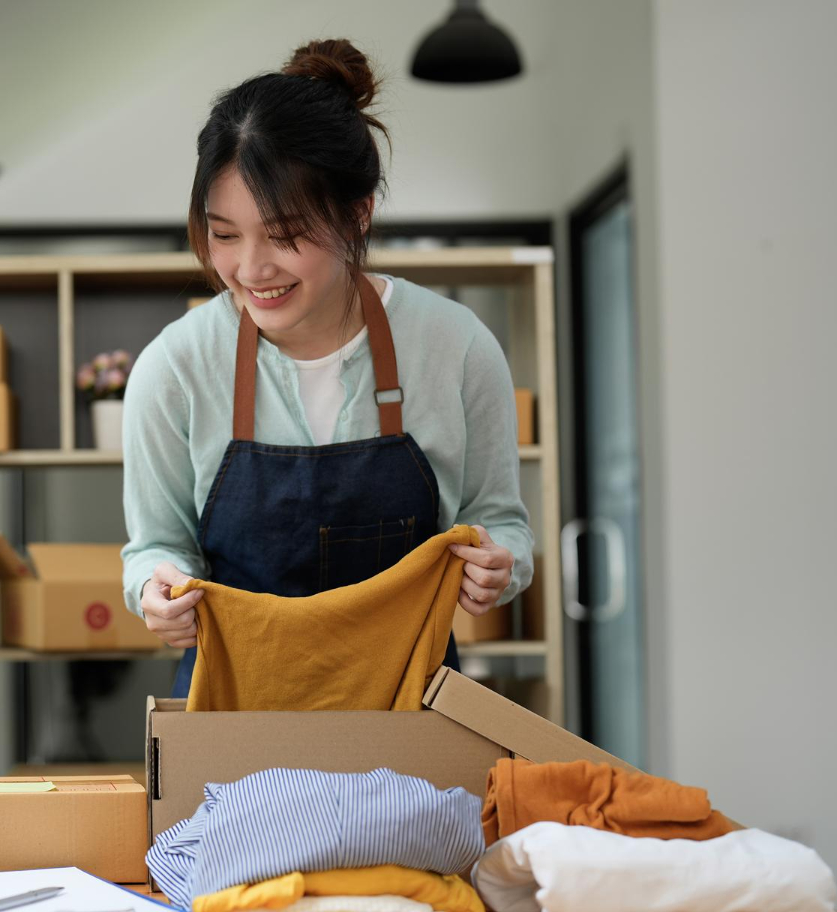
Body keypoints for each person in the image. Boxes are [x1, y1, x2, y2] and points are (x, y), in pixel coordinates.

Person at [120, 38, 534, 699]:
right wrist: (156, 585)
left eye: (284, 235)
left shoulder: (456, 348)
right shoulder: (175, 367)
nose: (251, 269)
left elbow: (502, 521)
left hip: (412, 716)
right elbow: (155, 544)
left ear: (358, 214)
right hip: (233, 723)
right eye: (224, 234)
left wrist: (499, 564)